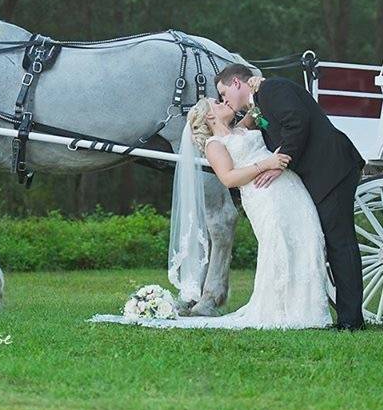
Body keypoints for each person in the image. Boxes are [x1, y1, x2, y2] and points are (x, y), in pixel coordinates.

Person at [88, 95, 334, 329]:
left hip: (289, 189)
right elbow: (228, 178)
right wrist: (265, 164)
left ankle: (309, 308)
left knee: (308, 240)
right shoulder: (214, 145)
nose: (223, 101)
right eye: (217, 103)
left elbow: (254, 107)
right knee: (280, 246)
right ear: (208, 118)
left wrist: (256, 89)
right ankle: (286, 311)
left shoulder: (241, 129)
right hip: (264, 196)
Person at [215, 64, 366, 330]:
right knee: (333, 244)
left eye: (224, 93)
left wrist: (278, 164)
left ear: (237, 82)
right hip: (319, 176)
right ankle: (344, 316)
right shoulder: (259, 101)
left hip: (333, 169)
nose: (224, 100)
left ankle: (351, 321)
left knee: (340, 244)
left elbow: (297, 122)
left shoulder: (274, 88)